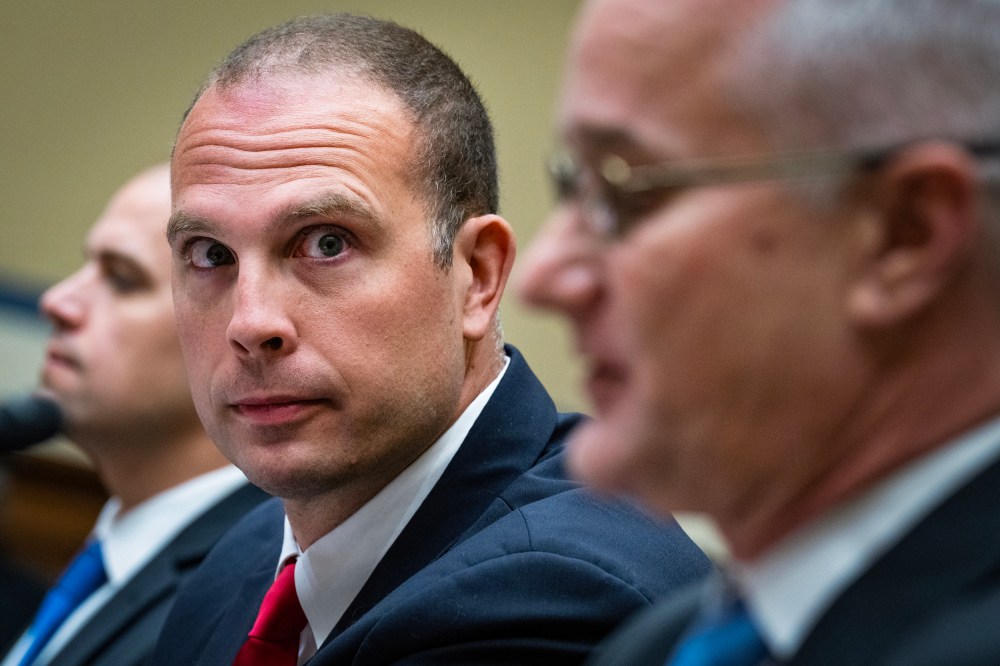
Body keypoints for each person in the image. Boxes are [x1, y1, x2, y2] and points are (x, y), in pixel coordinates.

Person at [153, 13, 711, 666]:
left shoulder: (554, 595)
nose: (251, 324)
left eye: (326, 243)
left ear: (477, 275)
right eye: (210, 253)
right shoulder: (243, 558)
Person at [518, 0, 1000, 664]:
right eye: (572, 188)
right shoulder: (662, 643)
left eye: (627, 192)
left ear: (903, 235)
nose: (542, 277)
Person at [1, 165, 269, 666]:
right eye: (85, 267)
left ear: (238, 332)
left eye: (122, 280)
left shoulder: (240, 602)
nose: (56, 302)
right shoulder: (112, 553)